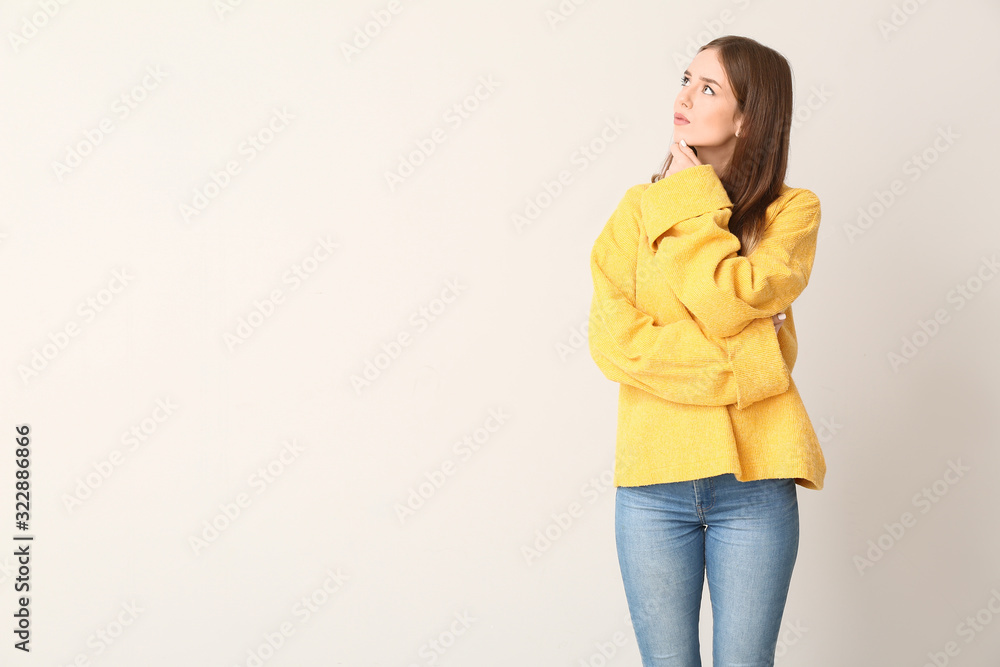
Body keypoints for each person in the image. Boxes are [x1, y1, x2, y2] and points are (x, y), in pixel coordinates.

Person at [587, 35, 826, 666]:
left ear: (748, 117)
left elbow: (729, 297)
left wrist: (690, 199)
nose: (684, 97)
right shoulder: (636, 213)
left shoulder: (790, 214)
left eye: (708, 88)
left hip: (756, 485)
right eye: (685, 78)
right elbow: (615, 346)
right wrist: (755, 359)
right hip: (651, 485)